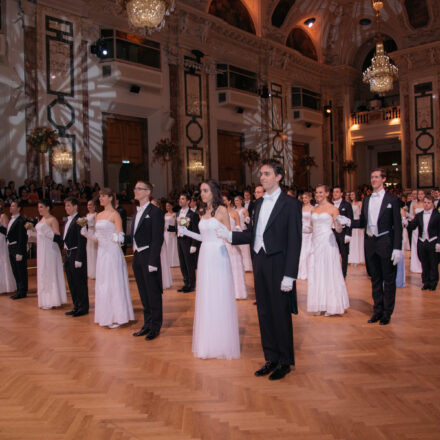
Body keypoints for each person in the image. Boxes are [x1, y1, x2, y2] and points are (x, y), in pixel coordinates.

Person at [217, 159, 302, 380]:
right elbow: (254, 234)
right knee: (264, 312)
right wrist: (230, 236)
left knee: (280, 314)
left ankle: (284, 361)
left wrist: (290, 274)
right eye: (261, 174)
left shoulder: (291, 204)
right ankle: (271, 358)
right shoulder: (258, 204)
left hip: (279, 264)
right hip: (260, 263)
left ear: (278, 177)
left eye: (266, 174)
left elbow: (295, 241)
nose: (262, 178)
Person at [179, 180, 240, 359]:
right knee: (207, 296)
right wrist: (187, 232)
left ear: (213, 191)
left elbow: (229, 235)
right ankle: (208, 341)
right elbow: (203, 236)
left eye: (205, 190)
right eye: (201, 191)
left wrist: (223, 234)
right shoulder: (202, 211)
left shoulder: (222, 210)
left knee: (218, 295)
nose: (202, 194)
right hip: (205, 253)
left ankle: (221, 341)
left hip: (218, 254)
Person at [350, 168, 403, 326]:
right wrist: (348, 222)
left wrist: (397, 248)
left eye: (376, 177)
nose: (373, 180)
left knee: (388, 279)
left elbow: (397, 226)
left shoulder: (392, 200)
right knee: (375, 279)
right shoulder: (366, 199)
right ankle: (377, 310)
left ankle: (387, 313)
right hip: (371, 243)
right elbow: (362, 223)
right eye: (372, 177)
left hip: (386, 242)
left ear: (383, 179)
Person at [88, 188, 134, 328]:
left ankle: (117, 316)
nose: (100, 199)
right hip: (102, 253)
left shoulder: (115, 214)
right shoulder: (98, 215)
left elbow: (121, 236)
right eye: (100, 196)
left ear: (110, 198)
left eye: (103, 196)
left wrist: (112, 237)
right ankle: (105, 315)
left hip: (113, 251)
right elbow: (96, 237)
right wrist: (86, 233)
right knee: (103, 283)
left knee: (114, 282)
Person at [129, 181, 164, 341]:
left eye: (138, 188)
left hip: (149, 256)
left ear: (147, 192)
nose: (135, 191)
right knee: (143, 293)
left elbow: (157, 238)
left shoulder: (155, 212)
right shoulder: (136, 213)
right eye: (135, 188)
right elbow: (136, 235)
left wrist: (153, 261)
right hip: (137, 257)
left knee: (153, 293)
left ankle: (155, 326)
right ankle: (147, 324)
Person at [307, 185, 350, 316]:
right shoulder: (313, 209)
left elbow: (338, 230)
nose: (317, 195)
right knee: (317, 271)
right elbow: (311, 227)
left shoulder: (333, 209)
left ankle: (332, 305)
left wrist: (339, 223)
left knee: (329, 270)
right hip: (315, 242)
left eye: (320, 192)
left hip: (328, 242)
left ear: (326, 193)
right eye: (316, 192)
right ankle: (320, 303)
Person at [27, 200, 67, 309]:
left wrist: (48, 232)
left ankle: (53, 300)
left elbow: (58, 237)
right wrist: (32, 233)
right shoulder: (42, 220)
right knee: (43, 273)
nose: (39, 209)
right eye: (38, 207)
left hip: (50, 251)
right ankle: (45, 300)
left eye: (41, 207)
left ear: (48, 208)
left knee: (50, 273)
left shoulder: (52, 219)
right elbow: (41, 236)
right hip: (42, 250)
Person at [406, 195, 440, 291]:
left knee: (433, 264)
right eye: (425, 202)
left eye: (428, 202)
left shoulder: (437, 215)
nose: (426, 204)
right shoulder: (419, 215)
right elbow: (412, 226)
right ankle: (425, 282)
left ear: (432, 204)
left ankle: (433, 283)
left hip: (433, 241)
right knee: (424, 263)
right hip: (422, 242)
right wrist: (406, 223)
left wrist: (439, 242)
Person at [63, 197, 89, 316]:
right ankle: (76, 305)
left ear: (75, 207)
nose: (66, 208)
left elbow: (81, 241)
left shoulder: (80, 220)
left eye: (68, 205)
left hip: (76, 254)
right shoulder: (68, 220)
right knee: (72, 282)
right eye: (66, 206)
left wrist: (79, 258)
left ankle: (83, 307)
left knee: (80, 282)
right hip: (68, 254)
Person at [0, 201, 28, 299]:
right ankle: (19, 289)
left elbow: (22, 237)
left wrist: (20, 252)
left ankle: (23, 291)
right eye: (11, 206)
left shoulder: (20, 220)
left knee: (21, 270)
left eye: (13, 206)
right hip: (11, 248)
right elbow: (8, 233)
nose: (10, 207)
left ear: (19, 208)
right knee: (15, 270)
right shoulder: (12, 220)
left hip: (17, 248)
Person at [223, 194, 247, 300]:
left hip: (232, 242)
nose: (222, 202)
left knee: (235, 267)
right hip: (222, 242)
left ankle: (237, 292)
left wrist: (235, 231)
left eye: (224, 200)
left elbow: (239, 228)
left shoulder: (234, 213)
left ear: (229, 201)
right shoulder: (217, 214)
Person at [176, 192, 200, 293]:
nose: (180, 200)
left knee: (189, 264)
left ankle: (191, 285)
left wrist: (194, 244)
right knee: (182, 264)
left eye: (182, 199)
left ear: (188, 201)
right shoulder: (178, 212)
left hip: (188, 242)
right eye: (180, 199)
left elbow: (195, 230)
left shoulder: (192, 214)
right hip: (180, 240)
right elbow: (179, 227)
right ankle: (186, 283)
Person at [332, 186, 353, 278]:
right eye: (334, 192)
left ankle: (343, 274)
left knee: (344, 254)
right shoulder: (330, 205)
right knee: (333, 253)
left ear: (341, 194)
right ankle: (334, 273)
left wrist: (348, 234)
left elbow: (350, 220)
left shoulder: (347, 205)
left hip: (343, 232)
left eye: (337, 192)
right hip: (332, 232)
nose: (335, 194)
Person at [0, 202, 16, 294]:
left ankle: (5, 286)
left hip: (1, 240)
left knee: (3, 261)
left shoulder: (3, 216)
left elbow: (7, 231)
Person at [234, 194, 252, 272]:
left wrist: (247, 219)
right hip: (235, 231)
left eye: (237, 200)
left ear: (241, 201)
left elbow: (247, 219)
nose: (236, 202)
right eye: (235, 201)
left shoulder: (244, 210)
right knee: (237, 250)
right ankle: (238, 266)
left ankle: (247, 267)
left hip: (243, 231)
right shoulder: (233, 210)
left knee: (245, 250)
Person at [297, 191, 313, 280]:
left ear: (310, 198)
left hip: (310, 233)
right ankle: (302, 272)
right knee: (302, 252)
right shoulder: (301, 208)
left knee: (309, 252)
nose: (304, 199)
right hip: (302, 232)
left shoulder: (313, 208)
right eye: (303, 198)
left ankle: (309, 272)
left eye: (306, 198)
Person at [409, 189, 425, 273]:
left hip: (425, 227)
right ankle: (416, 266)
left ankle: (424, 266)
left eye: (422, 194)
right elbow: (413, 217)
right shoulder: (414, 205)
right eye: (419, 194)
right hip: (416, 228)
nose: (420, 196)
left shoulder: (427, 204)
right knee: (415, 246)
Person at [348, 191, 365, 265]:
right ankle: (352, 258)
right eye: (350, 195)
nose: (351, 196)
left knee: (358, 241)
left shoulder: (359, 203)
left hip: (358, 223)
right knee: (352, 241)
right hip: (352, 223)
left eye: (352, 194)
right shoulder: (349, 204)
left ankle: (358, 258)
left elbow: (361, 213)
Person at [85, 198, 98, 279]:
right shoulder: (87, 215)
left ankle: (96, 273)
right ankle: (90, 272)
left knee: (94, 253)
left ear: (94, 206)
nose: (89, 206)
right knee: (89, 253)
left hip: (93, 232)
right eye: (88, 205)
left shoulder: (96, 214)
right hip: (88, 234)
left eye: (90, 205)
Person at [164, 201, 179, 267]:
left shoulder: (175, 214)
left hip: (172, 232)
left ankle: (174, 262)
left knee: (173, 246)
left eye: (169, 206)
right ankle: (167, 262)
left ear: (172, 206)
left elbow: (178, 222)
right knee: (167, 246)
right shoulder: (165, 214)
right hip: (166, 232)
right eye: (166, 206)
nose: (167, 207)